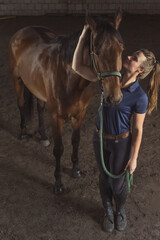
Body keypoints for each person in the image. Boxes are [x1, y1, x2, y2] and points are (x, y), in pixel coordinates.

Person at [72, 25, 160, 232]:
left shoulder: (140, 97)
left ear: (139, 70)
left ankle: (120, 210)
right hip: (99, 138)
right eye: (131, 55)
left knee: (118, 183)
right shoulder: (111, 78)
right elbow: (77, 67)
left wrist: (134, 157)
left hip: (121, 142)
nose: (128, 57)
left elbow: (138, 130)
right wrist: (84, 34)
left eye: (134, 58)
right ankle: (108, 211)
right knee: (103, 178)